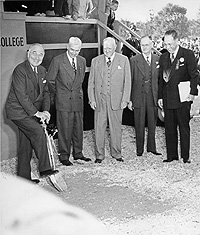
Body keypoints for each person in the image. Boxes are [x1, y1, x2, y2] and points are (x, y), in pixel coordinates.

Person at [5, 43, 59, 183]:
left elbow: (46, 93)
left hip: (29, 112)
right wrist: (37, 113)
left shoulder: (42, 70)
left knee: (26, 144)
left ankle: (23, 180)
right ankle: (45, 168)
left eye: (41, 54)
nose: (37, 57)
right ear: (28, 53)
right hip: (18, 112)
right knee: (37, 132)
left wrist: (46, 111)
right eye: (34, 53)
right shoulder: (20, 70)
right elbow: (22, 95)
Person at [46, 37, 91, 166]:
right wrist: (60, 93)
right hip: (63, 100)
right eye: (72, 49)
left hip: (77, 99)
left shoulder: (82, 61)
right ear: (67, 47)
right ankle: (64, 155)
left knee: (78, 128)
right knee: (64, 129)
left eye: (77, 50)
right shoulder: (58, 60)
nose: (74, 52)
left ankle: (78, 153)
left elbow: (80, 80)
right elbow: (50, 80)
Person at [88, 37, 131, 163]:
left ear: (115, 48)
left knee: (116, 128)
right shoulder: (95, 61)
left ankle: (116, 153)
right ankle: (99, 155)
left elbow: (127, 82)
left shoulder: (123, 60)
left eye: (109, 48)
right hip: (99, 100)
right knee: (99, 128)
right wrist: (92, 99)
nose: (106, 51)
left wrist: (125, 99)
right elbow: (91, 83)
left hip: (117, 101)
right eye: (105, 48)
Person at [158, 30, 198, 163]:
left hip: (183, 98)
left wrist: (193, 93)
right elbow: (161, 80)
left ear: (177, 41)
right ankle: (172, 156)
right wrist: (160, 97)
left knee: (184, 128)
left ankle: (185, 157)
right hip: (168, 98)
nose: (167, 47)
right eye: (165, 44)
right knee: (169, 128)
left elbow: (194, 75)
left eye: (170, 44)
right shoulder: (164, 57)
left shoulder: (187, 54)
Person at [128, 36, 161, 157]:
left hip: (153, 96)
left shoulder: (158, 59)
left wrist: (161, 97)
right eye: (142, 45)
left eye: (146, 45)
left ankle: (152, 148)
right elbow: (129, 80)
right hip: (138, 96)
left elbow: (161, 81)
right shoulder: (133, 60)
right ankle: (139, 149)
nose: (144, 47)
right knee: (139, 123)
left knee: (152, 123)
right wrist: (130, 99)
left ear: (151, 45)